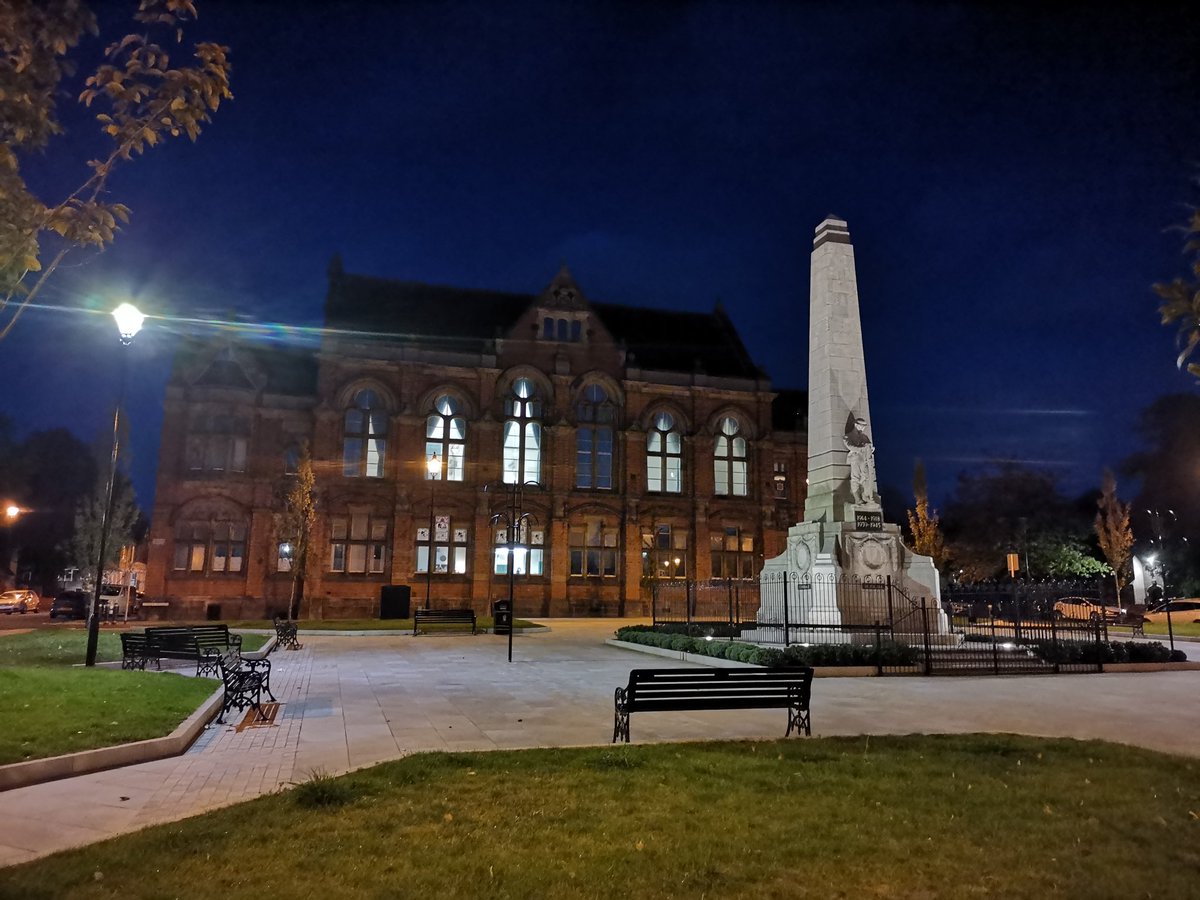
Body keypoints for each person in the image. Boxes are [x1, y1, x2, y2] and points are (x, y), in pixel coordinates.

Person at [843, 416, 878, 505]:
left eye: (864, 426)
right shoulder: (848, 436)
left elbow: (869, 446)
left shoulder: (864, 437)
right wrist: (862, 449)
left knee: (866, 477)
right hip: (855, 458)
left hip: (865, 459)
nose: (863, 428)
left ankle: (866, 495)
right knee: (855, 478)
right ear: (856, 425)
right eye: (861, 426)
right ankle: (857, 498)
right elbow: (850, 446)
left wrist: (870, 449)